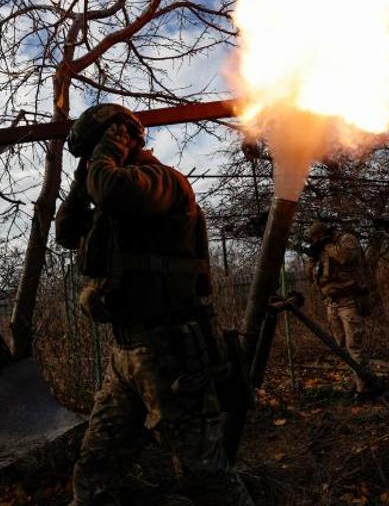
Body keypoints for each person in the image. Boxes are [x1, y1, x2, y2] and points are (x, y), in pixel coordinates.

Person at [56, 103, 253, 506]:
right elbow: (64, 232)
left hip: (170, 351)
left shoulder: (161, 181)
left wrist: (107, 155)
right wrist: (80, 182)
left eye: (98, 150)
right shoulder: (108, 196)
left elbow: (113, 189)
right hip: (125, 354)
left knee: (205, 476)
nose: (95, 161)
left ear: (120, 138)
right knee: (96, 471)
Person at [305, 221, 373, 399]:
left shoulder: (345, 240)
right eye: (314, 239)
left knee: (355, 346)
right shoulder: (320, 250)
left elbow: (345, 257)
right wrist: (312, 257)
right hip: (332, 303)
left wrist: (326, 245)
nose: (316, 241)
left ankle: (364, 388)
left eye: (318, 237)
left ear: (325, 233)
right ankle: (355, 383)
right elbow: (310, 275)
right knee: (341, 347)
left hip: (350, 301)